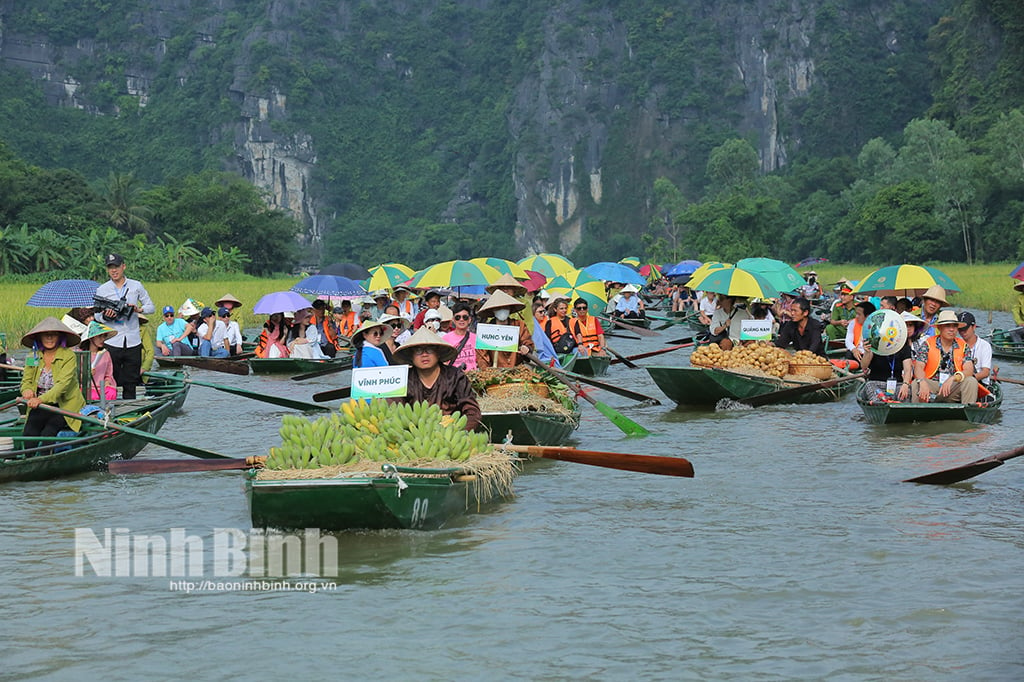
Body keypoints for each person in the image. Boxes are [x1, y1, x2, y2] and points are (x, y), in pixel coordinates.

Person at [392, 327, 481, 431]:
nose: (424, 354)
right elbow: (395, 411)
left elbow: (472, 411)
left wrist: (459, 432)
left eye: (429, 350)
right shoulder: (403, 379)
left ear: (438, 353)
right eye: (418, 351)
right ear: (411, 356)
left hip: (452, 433)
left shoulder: (455, 376)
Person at [19, 317, 86, 452]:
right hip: (40, 405)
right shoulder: (34, 356)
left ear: (59, 337)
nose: (49, 338)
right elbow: (26, 380)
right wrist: (26, 390)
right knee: (29, 432)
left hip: (64, 406)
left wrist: (40, 399)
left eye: (53, 334)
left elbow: (62, 385)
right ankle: (28, 459)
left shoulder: (68, 356)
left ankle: (45, 461)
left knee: (48, 434)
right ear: (40, 337)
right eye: (46, 334)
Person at [95, 252, 154, 399]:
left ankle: (130, 412)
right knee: (110, 379)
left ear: (123, 267)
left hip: (133, 341)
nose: (113, 271)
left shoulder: (136, 286)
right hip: (112, 341)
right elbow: (97, 315)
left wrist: (138, 309)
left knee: (131, 381)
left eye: (116, 267)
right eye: (110, 268)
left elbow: (151, 307)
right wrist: (105, 316)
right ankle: (110, 412)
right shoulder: (102, 289)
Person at [912, 309, 978, 404]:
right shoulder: (928, 344)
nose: (952, 329)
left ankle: (968, 413)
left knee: (971, 381)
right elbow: (918, 367)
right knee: (916, 383)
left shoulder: (963, 346)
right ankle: (916, 414)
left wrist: (953, 378)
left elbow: (969, 370)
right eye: (947, 326)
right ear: (940, 328)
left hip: (953, 385)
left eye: (954, 326)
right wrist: (922, 382)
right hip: (932, 384)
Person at [860, 316, 914, 402]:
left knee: (906, 392)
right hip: (876, 383)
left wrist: (906, 384)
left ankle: (896, 406)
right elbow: (864, 366)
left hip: (897, 384)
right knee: (869, 386)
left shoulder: (904, 348)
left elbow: (908, 370)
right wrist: (867, 352)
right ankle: (882, 403)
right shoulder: (875, 345)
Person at [475, 290, 534, 368]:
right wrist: (486, 372)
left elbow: (527, 341)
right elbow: (481, 355)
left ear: (510, 309)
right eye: (498, 308)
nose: (502, 310)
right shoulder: (487, 329)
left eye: (505, 307)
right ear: (493, 310)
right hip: (493, 371)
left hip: (516, 370)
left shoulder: (519, 325)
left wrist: (527, 348)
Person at [80, 321, 118, 401]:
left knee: (111, 392)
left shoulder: (106, 354)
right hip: (86, 388)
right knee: (91, 395)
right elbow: (75, 376)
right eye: (100, 336)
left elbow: (109, 374)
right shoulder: (81, 354)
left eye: (104, 336)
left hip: (102, 387)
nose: (102, 339)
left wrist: (107, 382)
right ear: (91, 338)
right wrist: (86, 374)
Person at [957, 311, 992, 386]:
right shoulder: (956, 344)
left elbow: (985, 372)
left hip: (980, 383)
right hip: (960, 380)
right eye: (960, 329)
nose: (962, 332)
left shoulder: (985, 346)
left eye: (965, 329)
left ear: (974, 327)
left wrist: (970, 380)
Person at [442, 302, 477, 371]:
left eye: (465, 317)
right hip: (454, 377)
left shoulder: (476, 338)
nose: (461, 320)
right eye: (458, 317)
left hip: (473, 376)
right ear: (453, 320)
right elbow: (443, 362)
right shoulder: (445, 339)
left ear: (469, 320)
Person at [844, 300, 876, 365]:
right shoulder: (853, 323)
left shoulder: (876, 327)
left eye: (859, 314)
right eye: (856, 313)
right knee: (848, 354)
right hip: (857, 353)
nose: (856, 316)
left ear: (867, 316)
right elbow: (848, 341)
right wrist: (854, 350)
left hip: (871, 355)